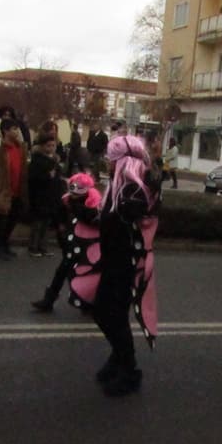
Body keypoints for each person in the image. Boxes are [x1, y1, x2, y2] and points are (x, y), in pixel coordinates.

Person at [85, 135, 160, 396]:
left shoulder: (133, 192)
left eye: (110, 158)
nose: (107, 162)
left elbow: (130, 223)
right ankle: (119, 359)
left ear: (121, 161)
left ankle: (129, 370)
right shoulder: (123, 189)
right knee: (106, 313)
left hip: (123, 264)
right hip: (114, 262)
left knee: (111, 315)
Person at [31, 172, 103, 312]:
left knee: (87, 273)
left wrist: (76, 207)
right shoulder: (67, 201)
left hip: (90, 245)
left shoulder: (94, 204)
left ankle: (88, 301)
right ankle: (49, 300)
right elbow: (59, 219)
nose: (73, 195)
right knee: (63, 271)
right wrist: (62, 231)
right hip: (73, 243)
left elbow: (93, 220)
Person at [0, 117, 28, 259]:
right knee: (1, 223)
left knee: (12, 220)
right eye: (14, 129)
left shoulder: (20, 148)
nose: (17, 132)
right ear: (5, 131)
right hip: (3, 192)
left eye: (17, 129)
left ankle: (5, 244)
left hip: (17, 191)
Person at [27, 121, 63, 257]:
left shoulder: (55, 160)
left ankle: (43, 246)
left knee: (46, 224)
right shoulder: (37, 160)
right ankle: (33, 246)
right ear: (42, 147)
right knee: (37, 224)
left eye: (53, 146)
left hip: (51, 197)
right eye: (48, 146)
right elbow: (33, 178)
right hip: (40, 196)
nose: (51, 148)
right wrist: (47, 176)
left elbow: (57, 178)